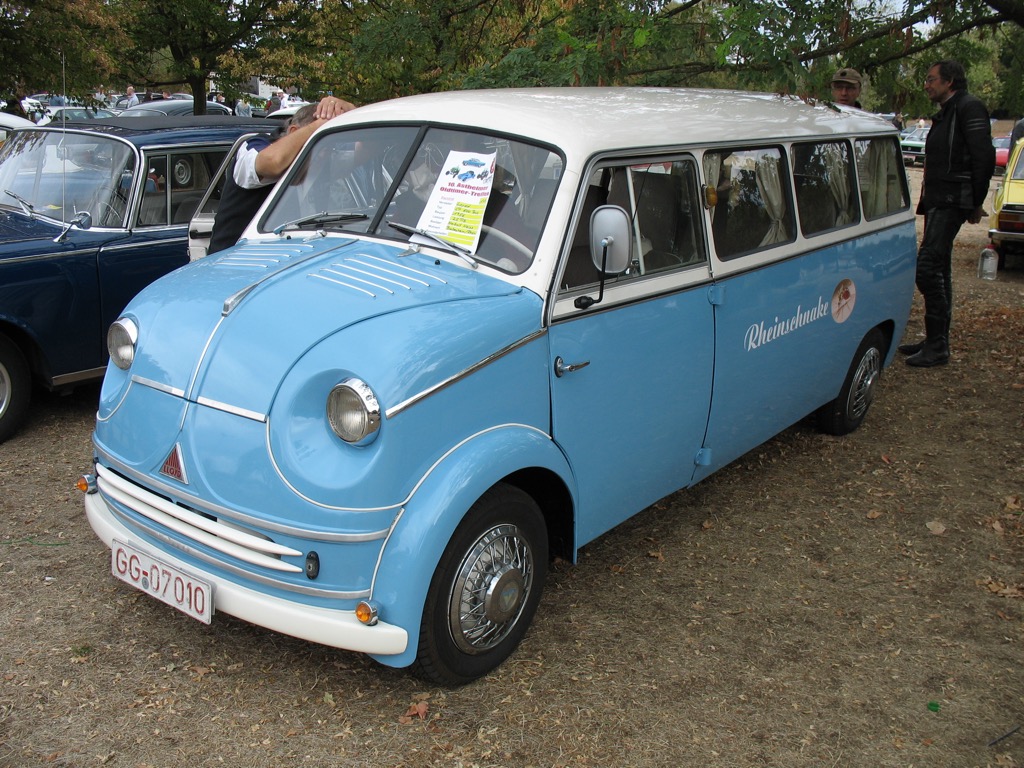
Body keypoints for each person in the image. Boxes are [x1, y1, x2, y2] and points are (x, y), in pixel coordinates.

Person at [898, 60, 995, 368]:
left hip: (953, 199)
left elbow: (984, 155)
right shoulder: (949, 111)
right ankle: (934, 339)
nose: (926, 85)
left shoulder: (969, 107)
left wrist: (975, 201)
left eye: (931, 79)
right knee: (940, 268)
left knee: (926, 268)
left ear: (950, 80)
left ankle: (938, 345)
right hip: (939, 198)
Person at [208, 96, 356, 254]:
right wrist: (320, 125)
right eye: (317, 144)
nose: (324, 153)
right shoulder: (253, 147)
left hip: (288, 261)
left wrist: (349, 109)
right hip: (233, 262)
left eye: (327, 146)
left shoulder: (321, 163)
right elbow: (273, 162)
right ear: (293, 131)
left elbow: (367, 152)